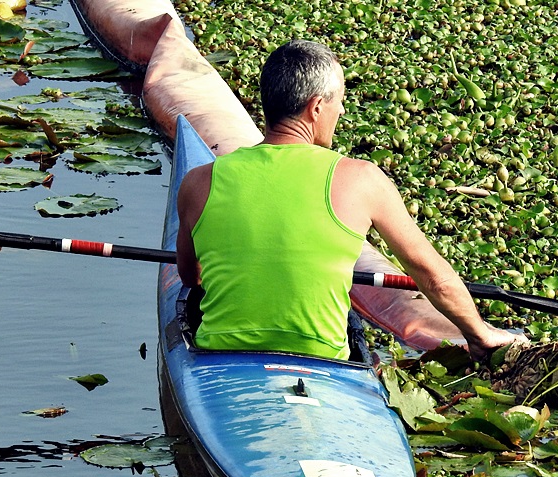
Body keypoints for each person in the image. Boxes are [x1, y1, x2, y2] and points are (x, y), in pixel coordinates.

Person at [176, 39, 525, 362]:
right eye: (338, 100)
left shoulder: (198, 182)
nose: (341, 110)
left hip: (219, 353)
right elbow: (432, 277)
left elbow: (191, 278)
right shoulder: (362, 179)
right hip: (321, 357)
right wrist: (480, 334)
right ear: (315, 107)